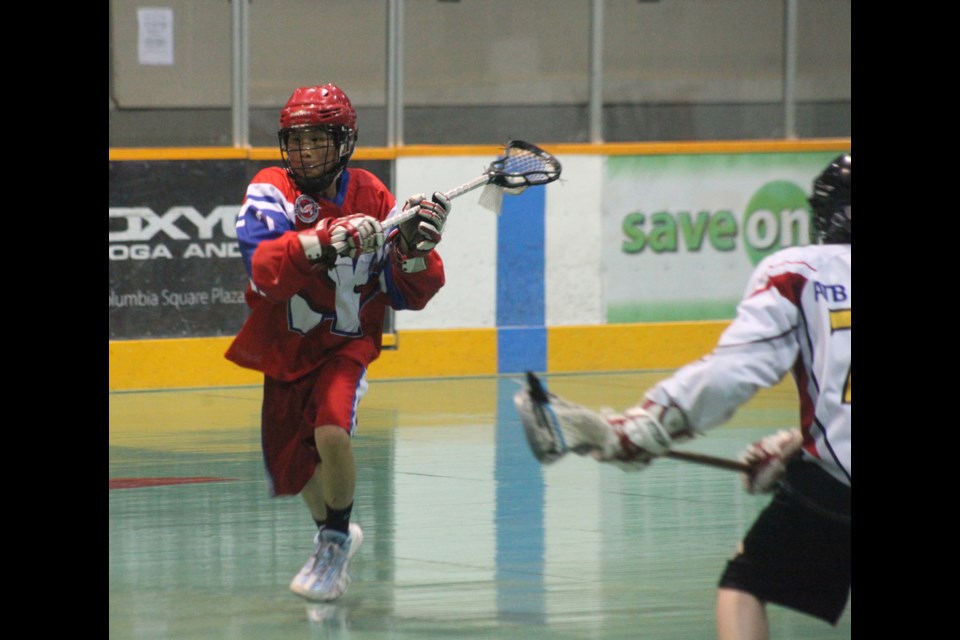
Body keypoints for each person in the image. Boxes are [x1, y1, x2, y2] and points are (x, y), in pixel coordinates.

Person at [514, 154, 851, 639]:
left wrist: (647, 425)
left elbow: (733, 373)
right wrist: (801, 447)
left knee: (745, 581)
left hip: (840, 487)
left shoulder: (799, 272)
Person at [225, 83, 453, 602]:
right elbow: (262, 267)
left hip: (346, 343)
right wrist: (321, 241)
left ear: (344, 141)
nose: (305, 152)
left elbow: (409, 290)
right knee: (293, 467)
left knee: (331, 430)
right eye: (296, 141)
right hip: (286, 347)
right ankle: (336, 530)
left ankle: (331, 540)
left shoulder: (373, 193)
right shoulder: (271, 187)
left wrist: (415, 250)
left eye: (317, 140)